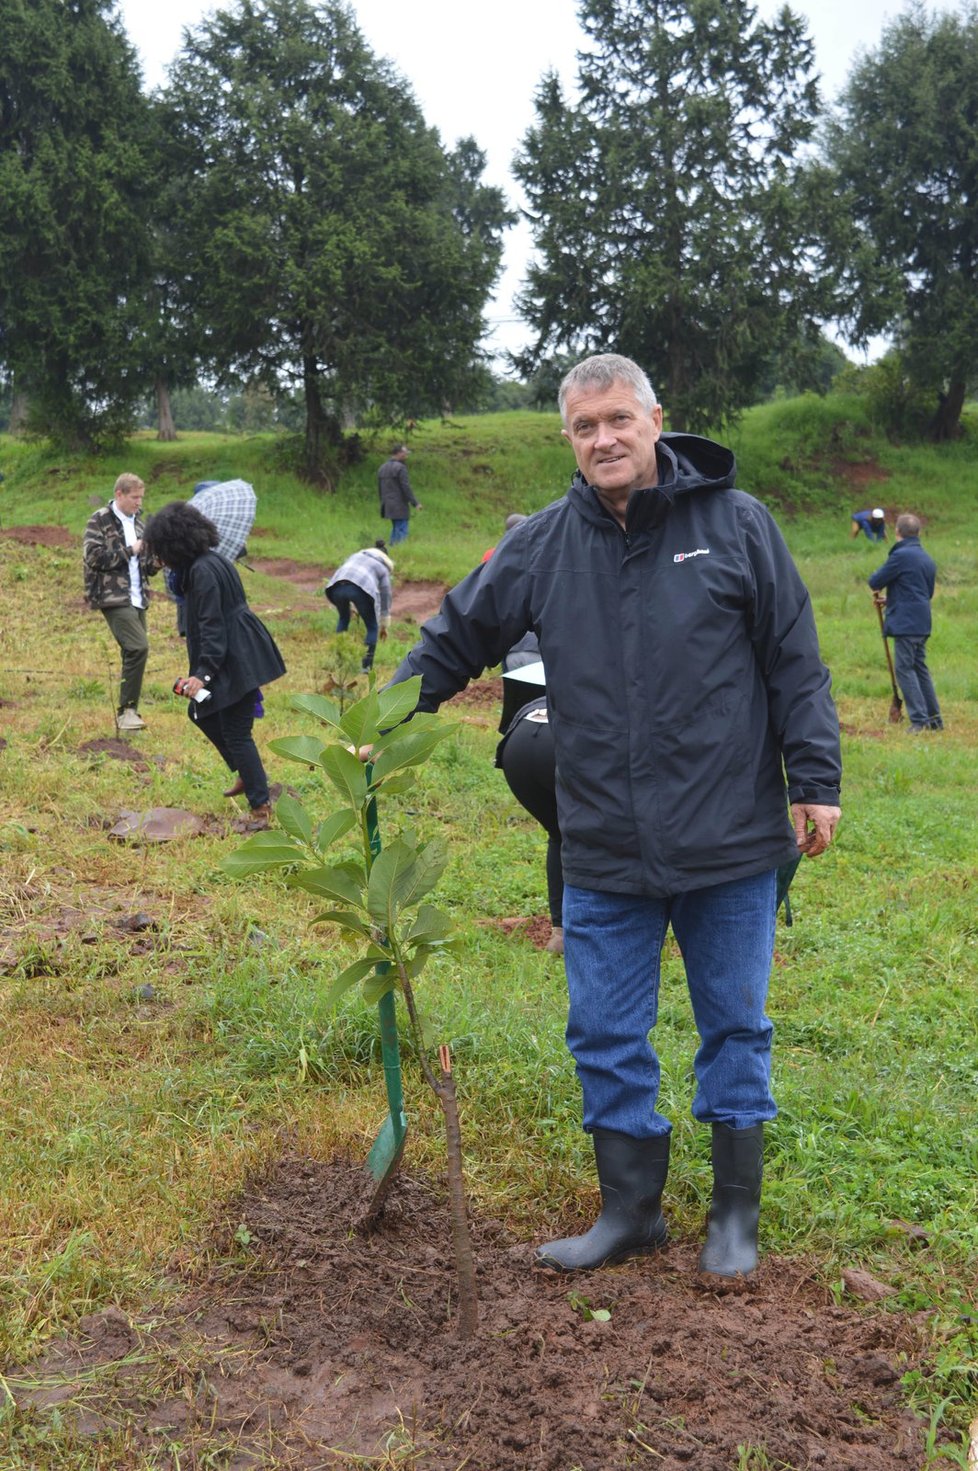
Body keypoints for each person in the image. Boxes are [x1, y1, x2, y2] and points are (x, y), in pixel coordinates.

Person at [386, 353, 841, 1279]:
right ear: (569, 437)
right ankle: (630, 1209)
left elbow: (795, 657)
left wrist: (816, 776)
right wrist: (384, 720)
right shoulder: (546, 543)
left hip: (729, 833)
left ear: (655, 419)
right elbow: (457, 633)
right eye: (585, 426)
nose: (605, 439)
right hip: (602, 837)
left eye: (619, 420)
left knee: (734, 1024)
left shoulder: (737, 524)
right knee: (603, 1027)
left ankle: (733, 1215)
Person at [142, 501, 286, 830]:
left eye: (161, 549)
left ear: (173, 544)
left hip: (233, 658)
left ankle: (260, 805)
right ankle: (248, 776)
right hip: (237, 652)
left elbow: (212, 626)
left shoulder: (203, 571)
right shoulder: (210, 561)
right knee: (200, 711)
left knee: (236, 732)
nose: (160, 558)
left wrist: (202, 675)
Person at [83, 473, 160, 732]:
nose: (139, 502)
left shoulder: (140, 524)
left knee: (132, 651)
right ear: (119, 494)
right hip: (112, 596)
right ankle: (127, 711)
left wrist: (159, 560)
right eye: (134, 497)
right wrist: (130, 550)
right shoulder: (100, 519)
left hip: (139, 598)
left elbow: (147, 566)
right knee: (138, 647)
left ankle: (128, 713)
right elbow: (93, 557)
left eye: (141, 497)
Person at [868, 512, 942, 732]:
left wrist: (886, 594)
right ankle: (935, 720)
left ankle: (918, 721)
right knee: (920, 669)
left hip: (906, 623)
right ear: (918, 533)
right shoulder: (926, 558)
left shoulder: (901, 556)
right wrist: (891, 600)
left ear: (897, 532)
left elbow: (875, 581)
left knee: (904, 670)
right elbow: (923, 593)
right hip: (922, 621)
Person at [325, 542, 394, 672]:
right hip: (359, 589)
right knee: (372, 626)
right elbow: (386, 596)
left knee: (343, 619)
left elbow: (345, 575)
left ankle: (339, 660)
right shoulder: (382, 567)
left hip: (336, 587)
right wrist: (384, 624)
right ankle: (366, 666)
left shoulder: (356, 556)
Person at [378, 444, 422, 544]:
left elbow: (380, 489)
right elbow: (405, 487)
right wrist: (415, 503)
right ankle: (399, 550)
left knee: (395, 528)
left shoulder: (382, 468)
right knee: (402, 529)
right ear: (399, 453)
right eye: (405, 453)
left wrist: (383, 502)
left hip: (387, 504)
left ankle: (393, 550)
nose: (407, 456)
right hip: (399, 504)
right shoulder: (401, 468)